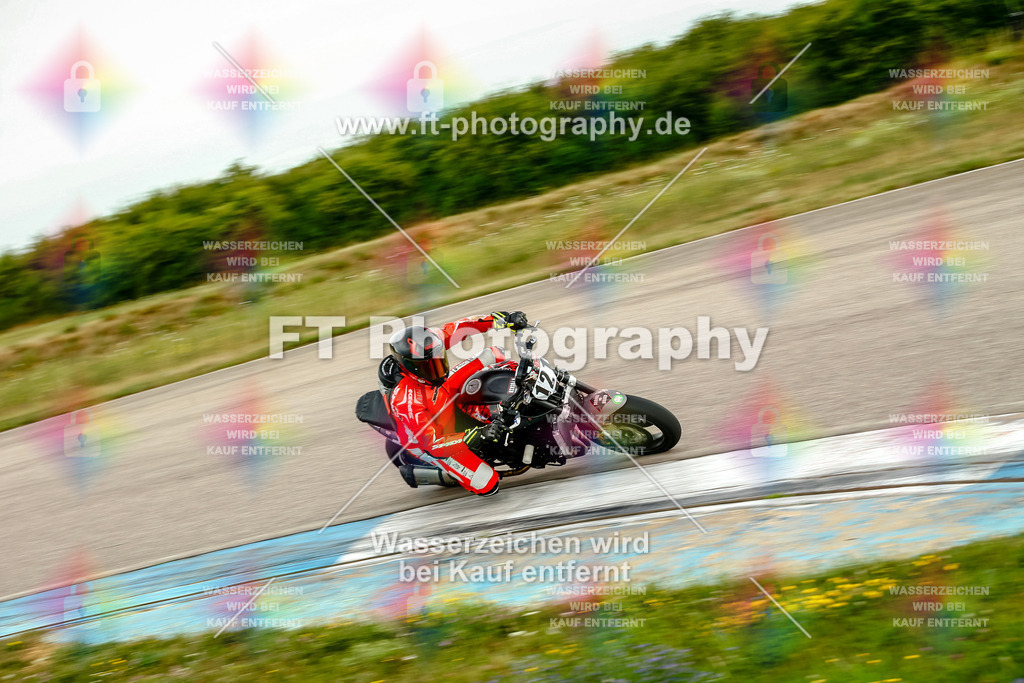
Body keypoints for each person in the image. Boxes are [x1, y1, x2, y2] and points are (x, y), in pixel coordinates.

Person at [381, 311, 530, 496]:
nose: (437, 368)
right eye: (428, 366)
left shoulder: (431, 341)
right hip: (430, 440)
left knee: (495, 353)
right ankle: (448, 474)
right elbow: (433, 443)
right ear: (411, 368)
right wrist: (476, 434)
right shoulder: (406, 400)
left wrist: (504, 320)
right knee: (487, 483)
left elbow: (463, 326)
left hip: (439, 392)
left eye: (438, 359)